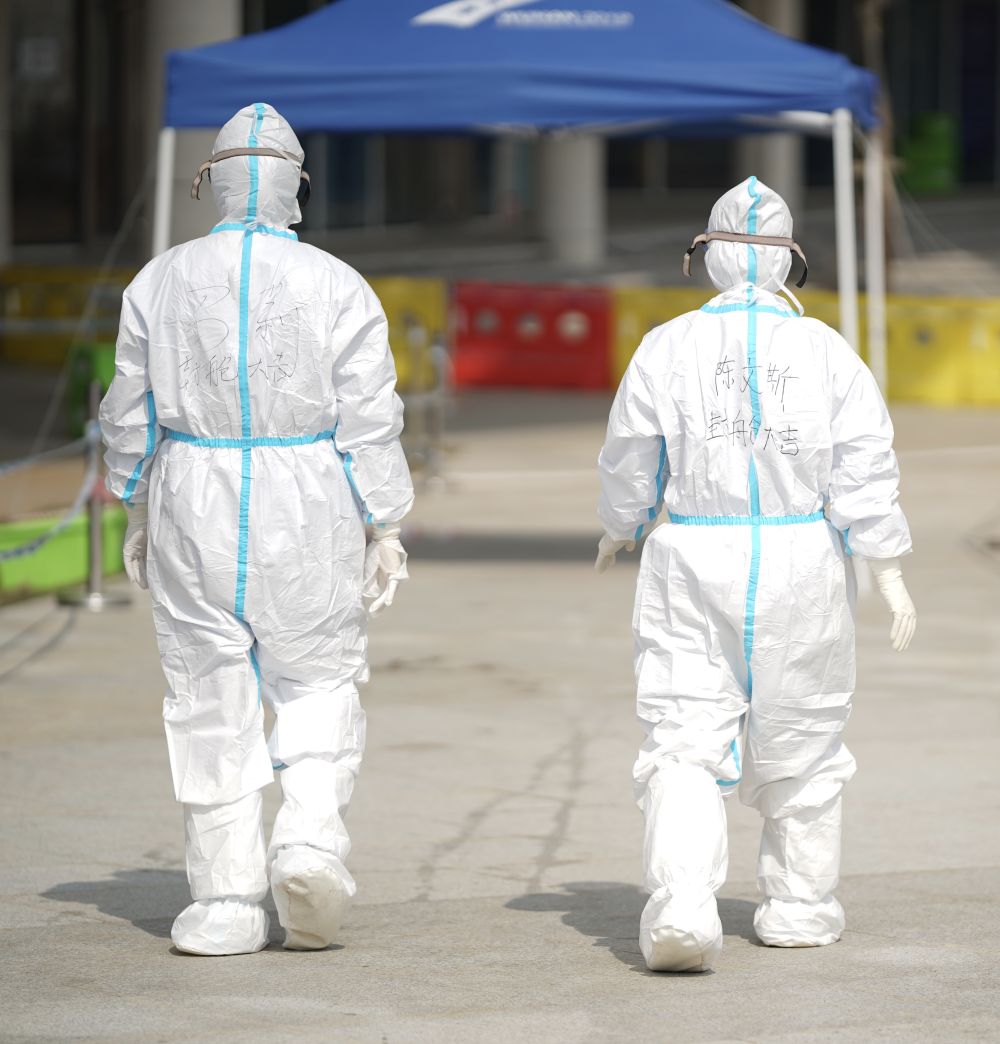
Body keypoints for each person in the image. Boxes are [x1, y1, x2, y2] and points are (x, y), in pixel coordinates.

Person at [100, 103, 414, 956]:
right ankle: (308, 845)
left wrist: (134, 498)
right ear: (292, 186)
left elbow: (128, 410)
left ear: (214, 182)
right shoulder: (338, 282)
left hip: (192, 492)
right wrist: (384, 519)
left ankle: (225, 901)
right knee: (317, 679)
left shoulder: (158, 281)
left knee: (208, 693)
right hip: (307, 494)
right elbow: (370, 417)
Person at [595, 177, 916, 973]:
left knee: (682, 735)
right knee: (804, 739)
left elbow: (631, 454)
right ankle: (799, 908)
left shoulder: (667, 345)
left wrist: (622, 525)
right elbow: (864, 465)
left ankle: (681, 906)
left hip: (693, 554)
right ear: (787, 262)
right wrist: (886, 564)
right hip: (801, 560)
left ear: (707, 257)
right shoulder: (825, 350)